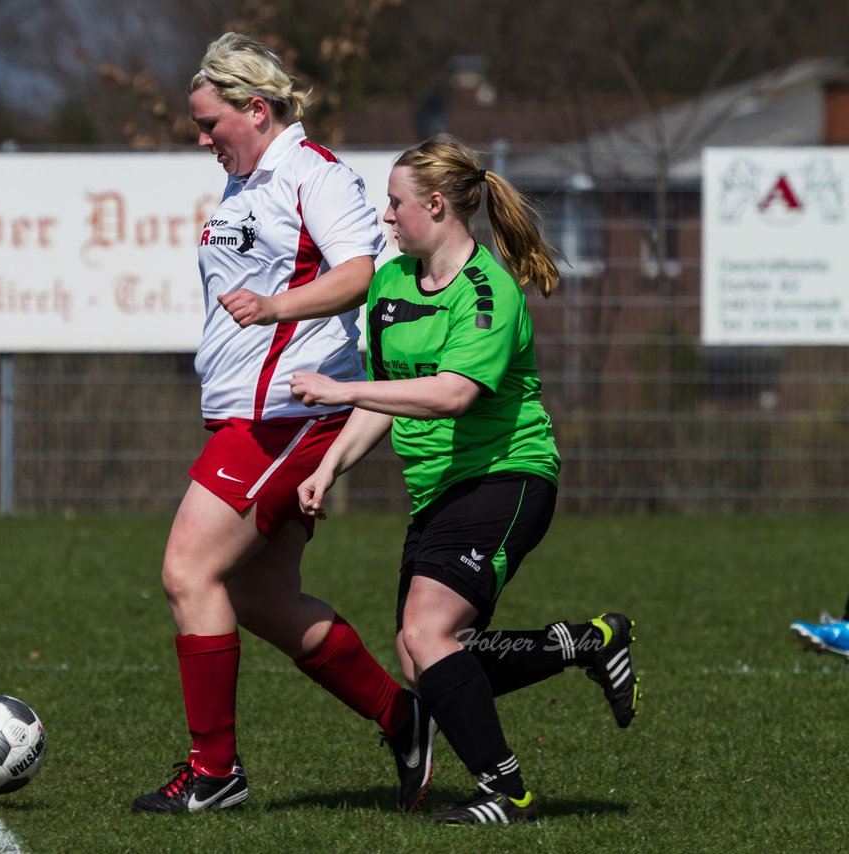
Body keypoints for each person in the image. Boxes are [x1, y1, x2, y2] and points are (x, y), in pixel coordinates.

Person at [292, 135, 641, 824]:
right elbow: (389, 396)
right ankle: (587, 643)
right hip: (440, 491)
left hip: (507, 477)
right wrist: (329, 466)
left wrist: (338, 389)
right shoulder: (391, 284)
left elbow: (452, 395)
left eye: (395, 203)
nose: (385, 218)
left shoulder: (489, 291)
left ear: (436, 205)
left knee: (427, 637)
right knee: (425, 658)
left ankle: (504, 791)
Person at [130, 32, 431, 814]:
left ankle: (214, 772)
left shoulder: (313, 174)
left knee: (187, 573)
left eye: (210, 123)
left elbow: (358, 274)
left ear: (255, 110)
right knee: (261, 599)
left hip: (289, 416)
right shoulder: (245, 183)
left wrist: (278, 307)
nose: (201, 138)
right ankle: (406, 717)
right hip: (248, 416)